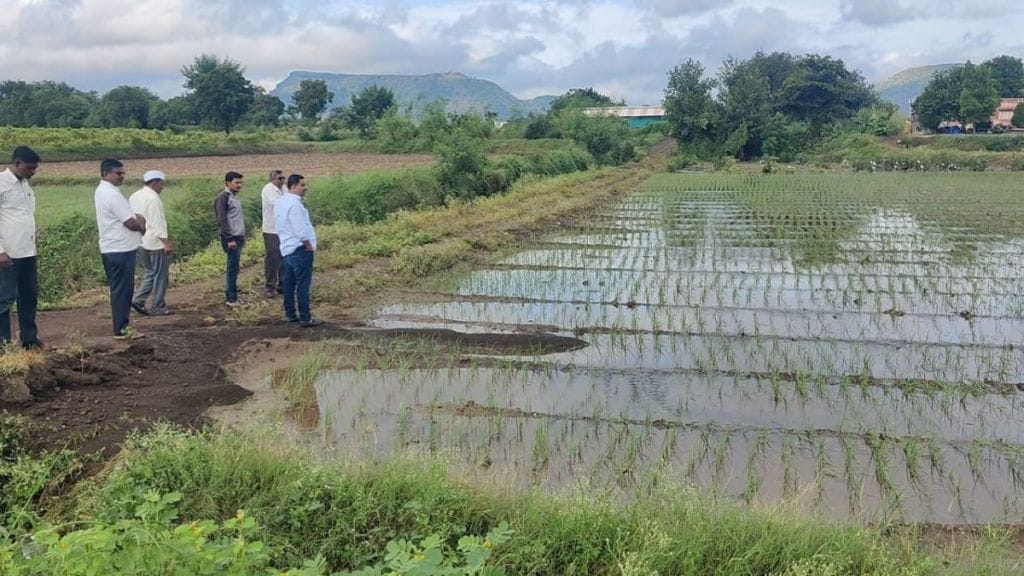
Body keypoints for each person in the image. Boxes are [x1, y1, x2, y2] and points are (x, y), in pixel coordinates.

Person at [94, 159, 146, 339]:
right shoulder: (111, 194)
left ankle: (122, 326)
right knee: (123, 289)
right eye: (118, 173)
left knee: (120, 289)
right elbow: (131, 222)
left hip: (114, 247)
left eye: (123, 173)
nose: (121, 176)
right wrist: (141, 222)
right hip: (120, 248)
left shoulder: (104, 191)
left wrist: (138, 219)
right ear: (105, 173)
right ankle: (122, 329)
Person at [0, 146, 43, 350]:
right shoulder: (1, 183)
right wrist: (0, 251)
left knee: (29, 296)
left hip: (27, 251)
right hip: (7, 254)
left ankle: (29, 340)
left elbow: (25, 216)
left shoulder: (25, 185)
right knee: (4, 299)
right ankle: (4, 345)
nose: (33, 172)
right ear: (17, 164)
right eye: (29, 168)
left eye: (35, 168)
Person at [275, 174, 322, 327]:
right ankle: (305, 317)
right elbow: (300, 228)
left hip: (287, 247)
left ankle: (290, 314)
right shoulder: (294, 205)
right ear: (293, 186)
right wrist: (307, 243)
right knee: (303, 284)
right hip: (299, 247)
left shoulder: (281, 202)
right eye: (302, 185)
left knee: (289, 283)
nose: (305, 188)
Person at [130, 170, 173, 316]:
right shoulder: (153, 199)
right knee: (161, 276)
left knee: (150, 273)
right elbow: (156, 223)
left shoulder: (135, 196)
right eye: (161, 184)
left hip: (140, 241)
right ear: (155, 182)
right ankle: (158, 306)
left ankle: (137, 300)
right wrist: (165, 243)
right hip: (154, 243)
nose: (162, 187)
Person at [214, 171, 246, 306]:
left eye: (240, 182)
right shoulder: (224, 198)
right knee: (232, 268)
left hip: (238, 236)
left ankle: (233, 296)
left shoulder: (234, 197)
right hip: (231, 238)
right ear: (228, 183)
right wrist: (229, 238)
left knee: (235, 267)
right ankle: (231, 298)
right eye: (236, 182)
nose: (239, 185)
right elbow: (222, 219)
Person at [261, 169, 286, 298]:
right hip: (271, 229)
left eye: (283, 178)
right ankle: (269, 286)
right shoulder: (268, 190)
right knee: (272, 257)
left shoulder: (284, 189)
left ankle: (282, 284)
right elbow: (279, 204)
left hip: (283, 229)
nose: (282, 181)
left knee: (283, 256)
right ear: (272, 179)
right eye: (279, 178)